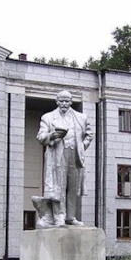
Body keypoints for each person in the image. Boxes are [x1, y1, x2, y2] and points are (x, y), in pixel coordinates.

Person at [37, 90, 93, 227]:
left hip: (75, 155)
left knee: (73, 187)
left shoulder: (81, 117)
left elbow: (89, 135)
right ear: (57, 102)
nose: (64, 103)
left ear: (71, 102)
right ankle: (59, 216)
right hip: (57, 155)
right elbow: (40, 136)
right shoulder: (48, 117)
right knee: (59, 187)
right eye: (61, 101)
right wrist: (52, 136)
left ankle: (70, 216)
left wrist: (82, 146)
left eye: (66, 101)